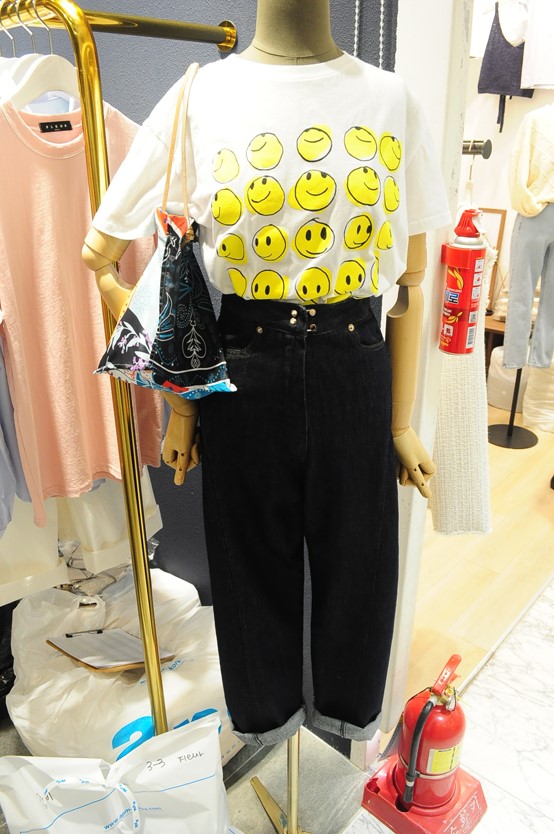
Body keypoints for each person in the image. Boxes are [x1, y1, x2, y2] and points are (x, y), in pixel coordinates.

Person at [83, 0, 450, 747]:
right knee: (248, 566)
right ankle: (265, 722)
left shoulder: (392, 100)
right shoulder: (200, 96)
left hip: (357, 357)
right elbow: (100, 254)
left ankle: (346, 717)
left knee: (361, 566)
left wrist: (401, 424)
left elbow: (411, 282)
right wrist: (183, 399)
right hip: (244, 363)